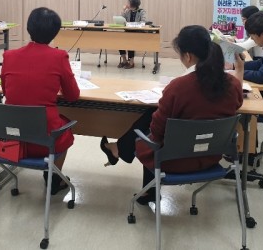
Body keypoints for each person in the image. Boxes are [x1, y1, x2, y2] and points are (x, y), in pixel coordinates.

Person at [100, 25, 244, 204]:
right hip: (211, 156)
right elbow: (238, 102)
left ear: (188, 56)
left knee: (151, 131)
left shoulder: (178, 87)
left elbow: (157, 133)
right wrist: (240, 71)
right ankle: (122, 154)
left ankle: (126, 157)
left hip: (174, 160)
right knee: (154, 116)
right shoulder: (232, 84)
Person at [0, 7, 80, 195]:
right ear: (55, 33)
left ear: (28, 28)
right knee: (65, 128)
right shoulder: (59, 57)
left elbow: (5, 91)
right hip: (45, 140)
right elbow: (72, 96)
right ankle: (53, 178)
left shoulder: (9, 56)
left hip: (12, 136)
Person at [118, 0, 147, 69]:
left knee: (130, 41)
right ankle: (124, 61)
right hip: (128, 32)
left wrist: (131, 24)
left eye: (128, 2)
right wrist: (123, 10)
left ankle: (131, 62)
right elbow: (121, 19)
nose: (127, 4)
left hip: (137, 33)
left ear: (132, 3)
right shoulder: (127, 11)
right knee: (119, 41)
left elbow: (143, 22)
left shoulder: (141, 11)